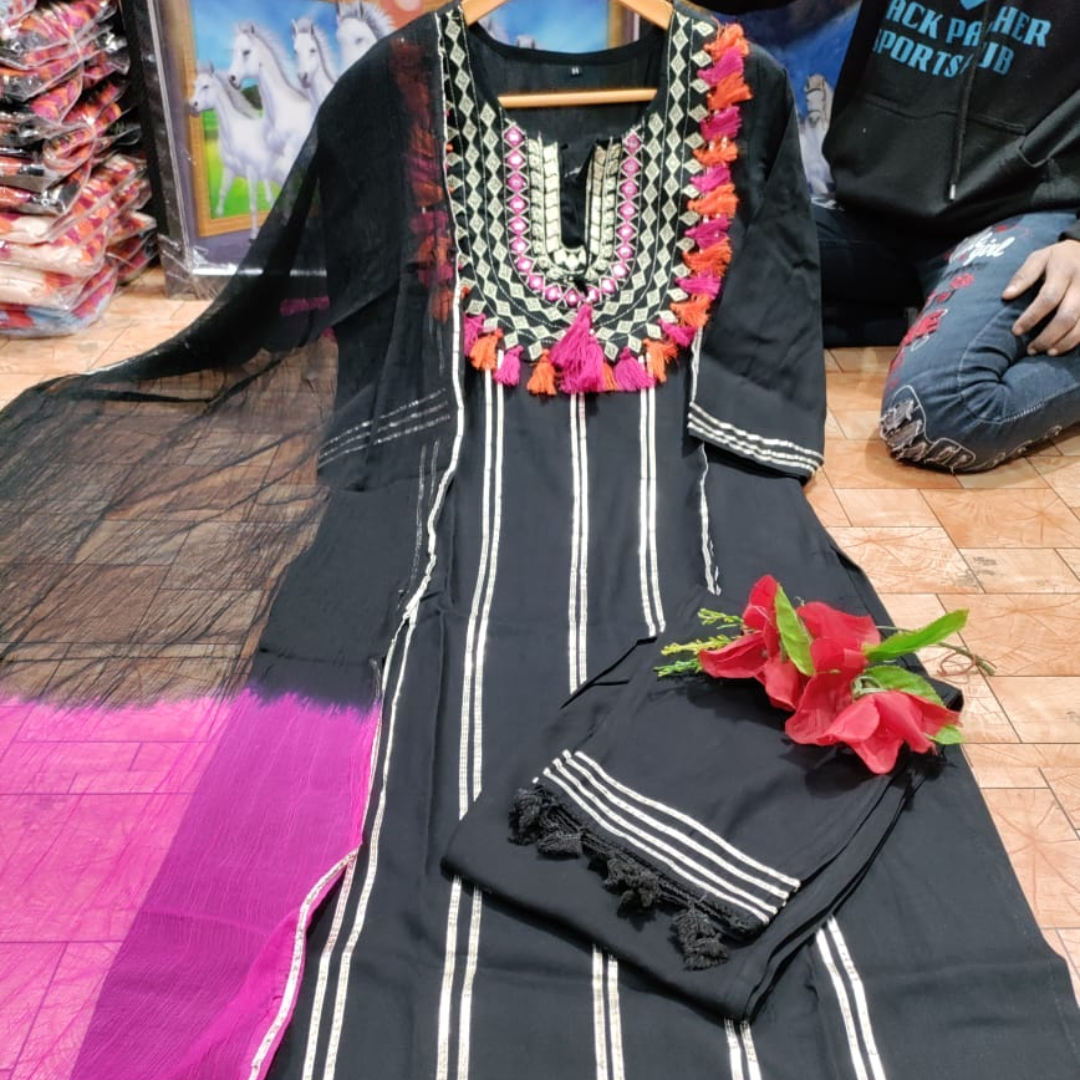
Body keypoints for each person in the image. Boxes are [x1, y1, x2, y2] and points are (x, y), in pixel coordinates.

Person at [709, 0, 1080, 470]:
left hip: (1017, 213)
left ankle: (953, 321)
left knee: (936, 412)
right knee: (687, 263)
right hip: (875, 208)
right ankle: (925, 313)